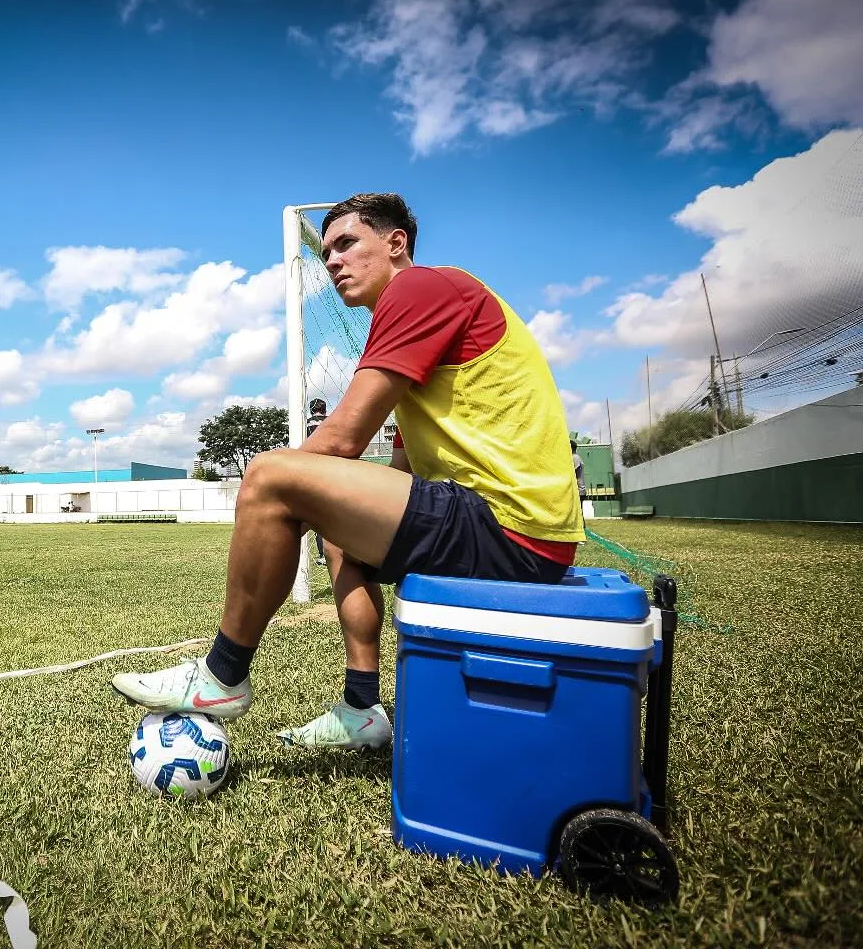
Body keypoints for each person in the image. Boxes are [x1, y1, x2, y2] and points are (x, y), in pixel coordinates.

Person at [112, 193, 583, 750]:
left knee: (268, 476)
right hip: (513, 529)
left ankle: (222, 677)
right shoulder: (420, 327)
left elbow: (344, 438)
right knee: (341, 533)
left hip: (510, 530)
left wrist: (267, 500)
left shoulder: (420, 288)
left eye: (347, 244)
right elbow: (401, 471)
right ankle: (362, 708)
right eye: (328, 249)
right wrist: (324, 509)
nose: (332, 260)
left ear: (395, 243)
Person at [305, 398, 329, 566]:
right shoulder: (331, 421)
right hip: (332, 467)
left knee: (316, 517)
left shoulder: (305, 424)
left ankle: (322, 555)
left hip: (311, 469)